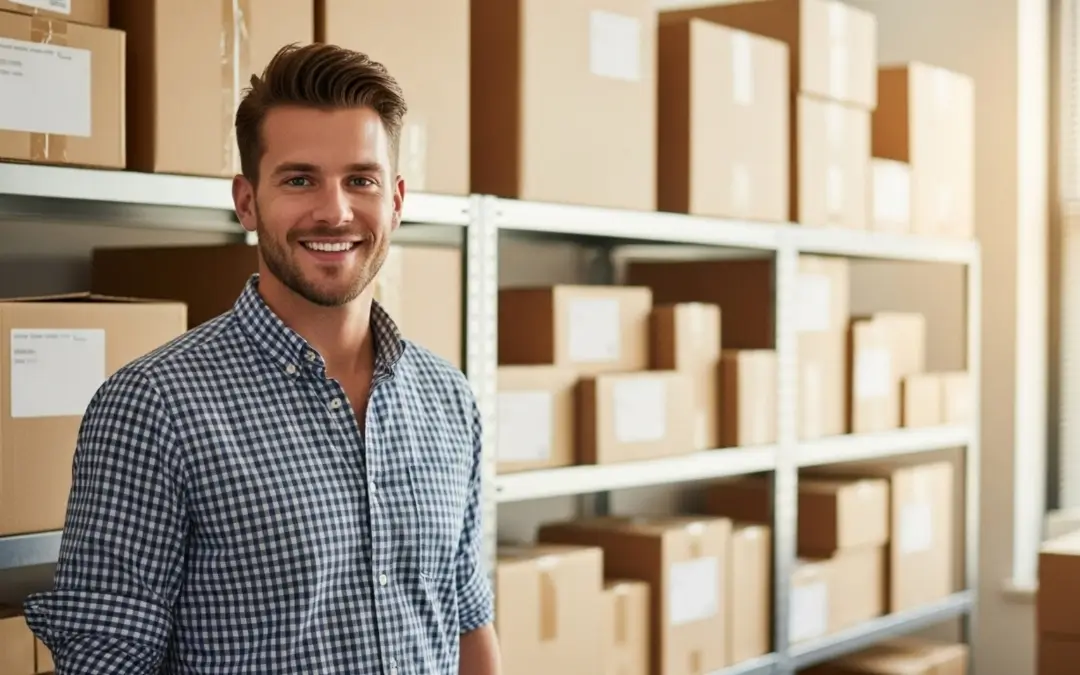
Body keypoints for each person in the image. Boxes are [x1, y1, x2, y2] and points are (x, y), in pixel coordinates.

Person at [22, 42, 502, 675]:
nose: (334, 210)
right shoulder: (153, 407)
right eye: (299, 179)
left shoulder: (448, 398)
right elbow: (107, 663)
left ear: (396, 200)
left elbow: (467, 624)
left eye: (361, 179)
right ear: (246, 201)